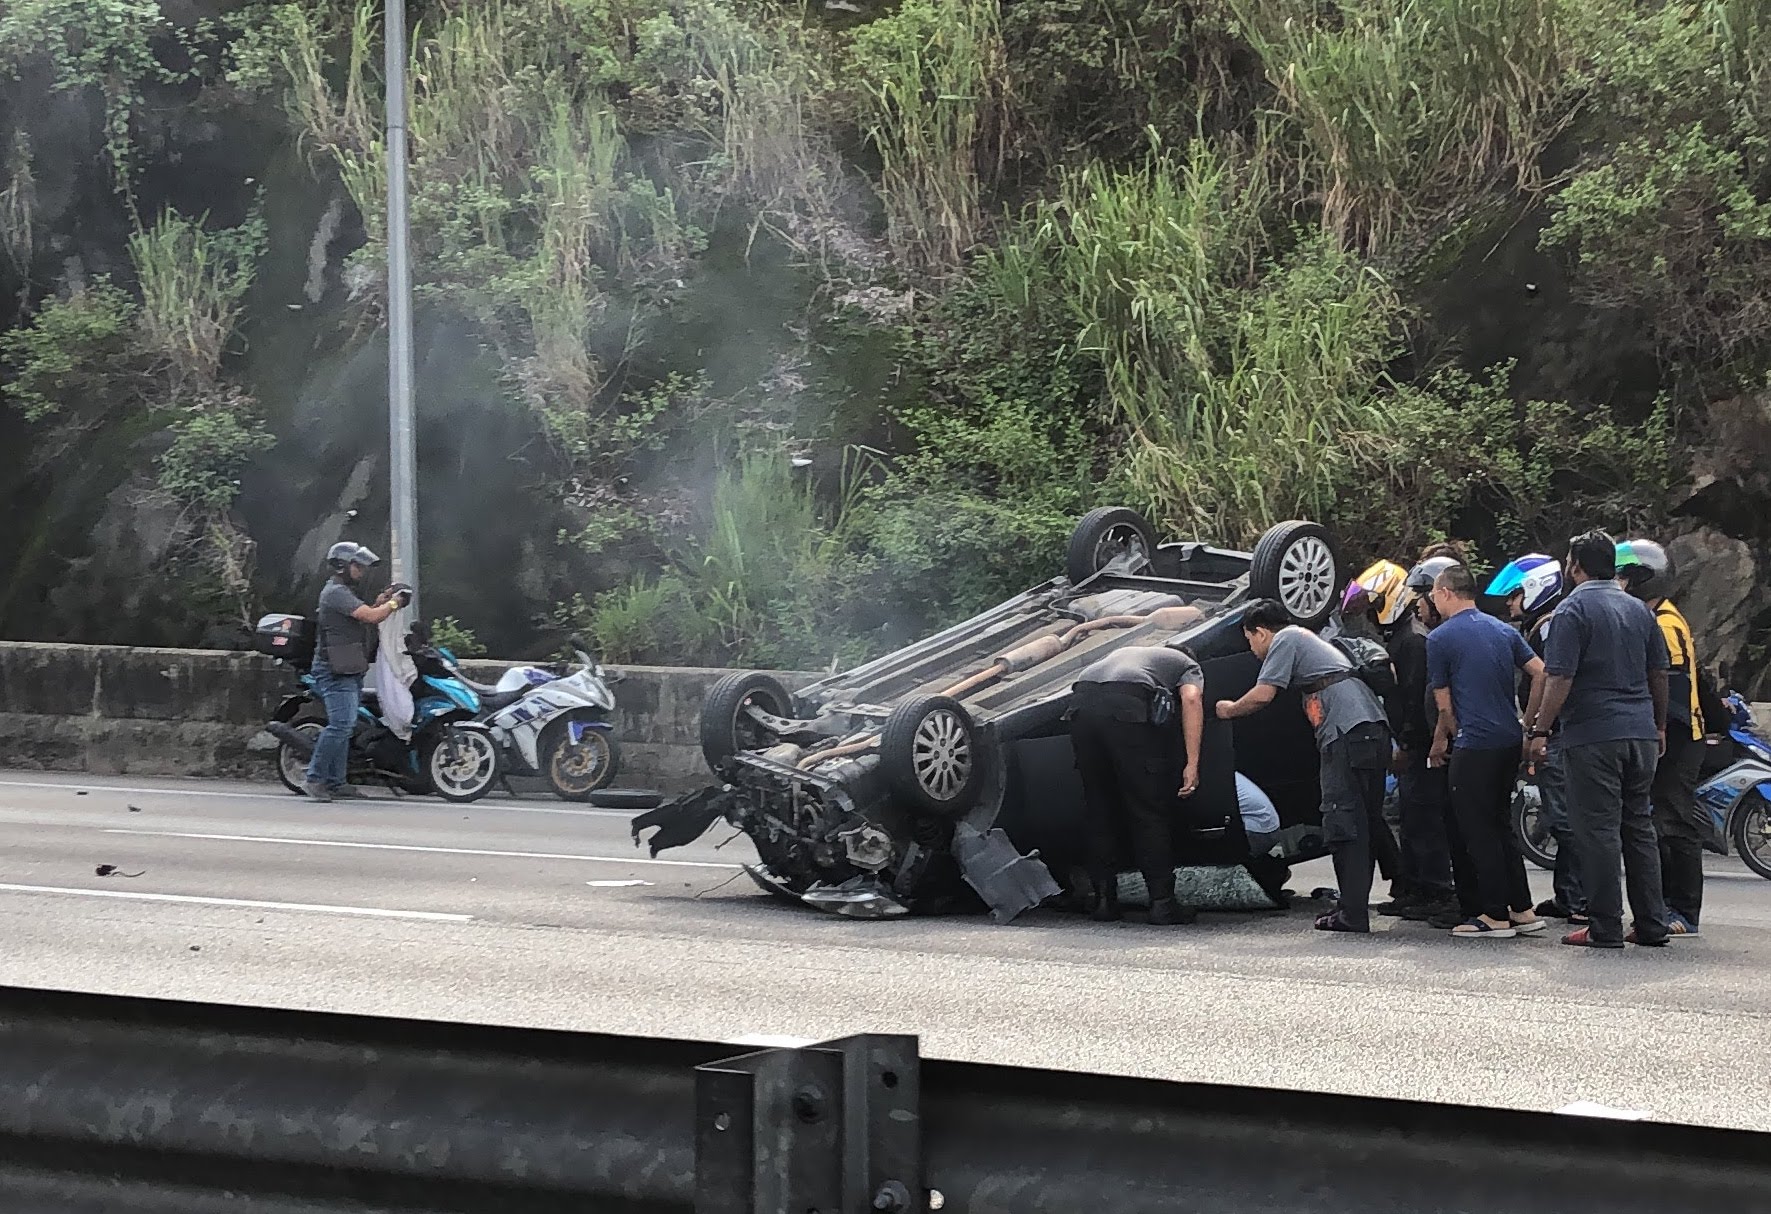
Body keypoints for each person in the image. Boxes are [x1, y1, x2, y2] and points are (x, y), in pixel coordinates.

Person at [1527, 531, 1670, 949]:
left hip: (1593, 735)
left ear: (1576, 566)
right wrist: (1658, 725)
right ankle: (1651, 924)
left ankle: (1604, 926)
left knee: (1598, 831)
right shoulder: (1640, 611)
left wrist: (1539, 730)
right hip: (1641, 733)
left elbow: (1559, 677)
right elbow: (1659, 673)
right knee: (1638, 827)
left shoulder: (1571, 610)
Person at [1216, 600, 1391, 933]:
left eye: (1250, 640)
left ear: (1261, 632)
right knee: (1366, 819)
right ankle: (1381, 894)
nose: (1252, 649)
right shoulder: (1309, 642)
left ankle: (1352, 914)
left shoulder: (1286, 639)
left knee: (1343, 819)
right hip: (1368, 727)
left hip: (1346, 730)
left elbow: (1263, 695)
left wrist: (1227, 709)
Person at [1425, 565, 1548, 938]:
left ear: (1446, 592)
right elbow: (1541, 672)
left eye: (1433, 593)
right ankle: (1521, 908)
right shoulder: (1503, 630)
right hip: (1509, 739)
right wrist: (1529, 724)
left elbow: (1444, 706)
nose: (1431, 600)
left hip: (1474, 743)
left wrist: (1444, 737)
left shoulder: (1440, 638)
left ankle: (1494, 914)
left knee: (1477, 829)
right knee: (1501, 824)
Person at [1070, 644, 1205, 925]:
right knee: (1147, 809)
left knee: (1100, 810)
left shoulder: (1136, 653)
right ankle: (1162, 904)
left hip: (1082, 703)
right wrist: (1192, 763)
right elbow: (1191, 699)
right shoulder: (1186, 665)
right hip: (1125, 703)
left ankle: (1104, 902)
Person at [1355, 559, 1458, 922]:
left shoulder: (1413, 640)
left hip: (1422, 744)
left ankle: (1435, 889)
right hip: (1414, 740)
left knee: (1424, 818)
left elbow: (1415, 699)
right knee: (1412, 818)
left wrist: (1409, 743)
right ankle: (1413, 887)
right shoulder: (1401, 637)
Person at [1486, 553, 1585, 925]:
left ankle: (1579, 898)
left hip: (1557, 736)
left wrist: (1534, 728)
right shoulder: (1546, 625)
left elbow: (1549, 679)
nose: (1511, 602)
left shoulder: (1548, 627)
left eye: (1514, 594)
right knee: (1562, 816)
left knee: (1565, 818)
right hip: (1561, 734)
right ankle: (1568, 895)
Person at [1619, 538, 1705, 937]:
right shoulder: (1651, 617)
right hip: (1666, 732)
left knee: (1674, 821)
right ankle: (1666, 903)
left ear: (1640, 580)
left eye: (1622, 576)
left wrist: (1658, 733)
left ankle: (1684, 909)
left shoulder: (1664, 623)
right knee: (1658, 822)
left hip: (1678, 735)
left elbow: (1668, 688)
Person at [1404, 555, 1478, 930]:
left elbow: (1444, 703)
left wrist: (1437, 742)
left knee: (1449, 824)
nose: (1419, 604)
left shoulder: (1442, 639)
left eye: (1425, 595)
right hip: (1453, 742)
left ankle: (1452, 896)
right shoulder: (1458, 634)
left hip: (1452, 745)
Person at [303, 542, 405, 804]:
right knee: (340, 725)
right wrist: (394, 603)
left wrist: (382, 602)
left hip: (348, 666)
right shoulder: (336, 593)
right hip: (334, 669)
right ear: (342, 566)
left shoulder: (343, 592)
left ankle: (337, 783)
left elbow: (365, 612)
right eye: (357, 566)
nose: (361, 571)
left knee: (345, 727)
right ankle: (315, 778)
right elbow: (371, 617)